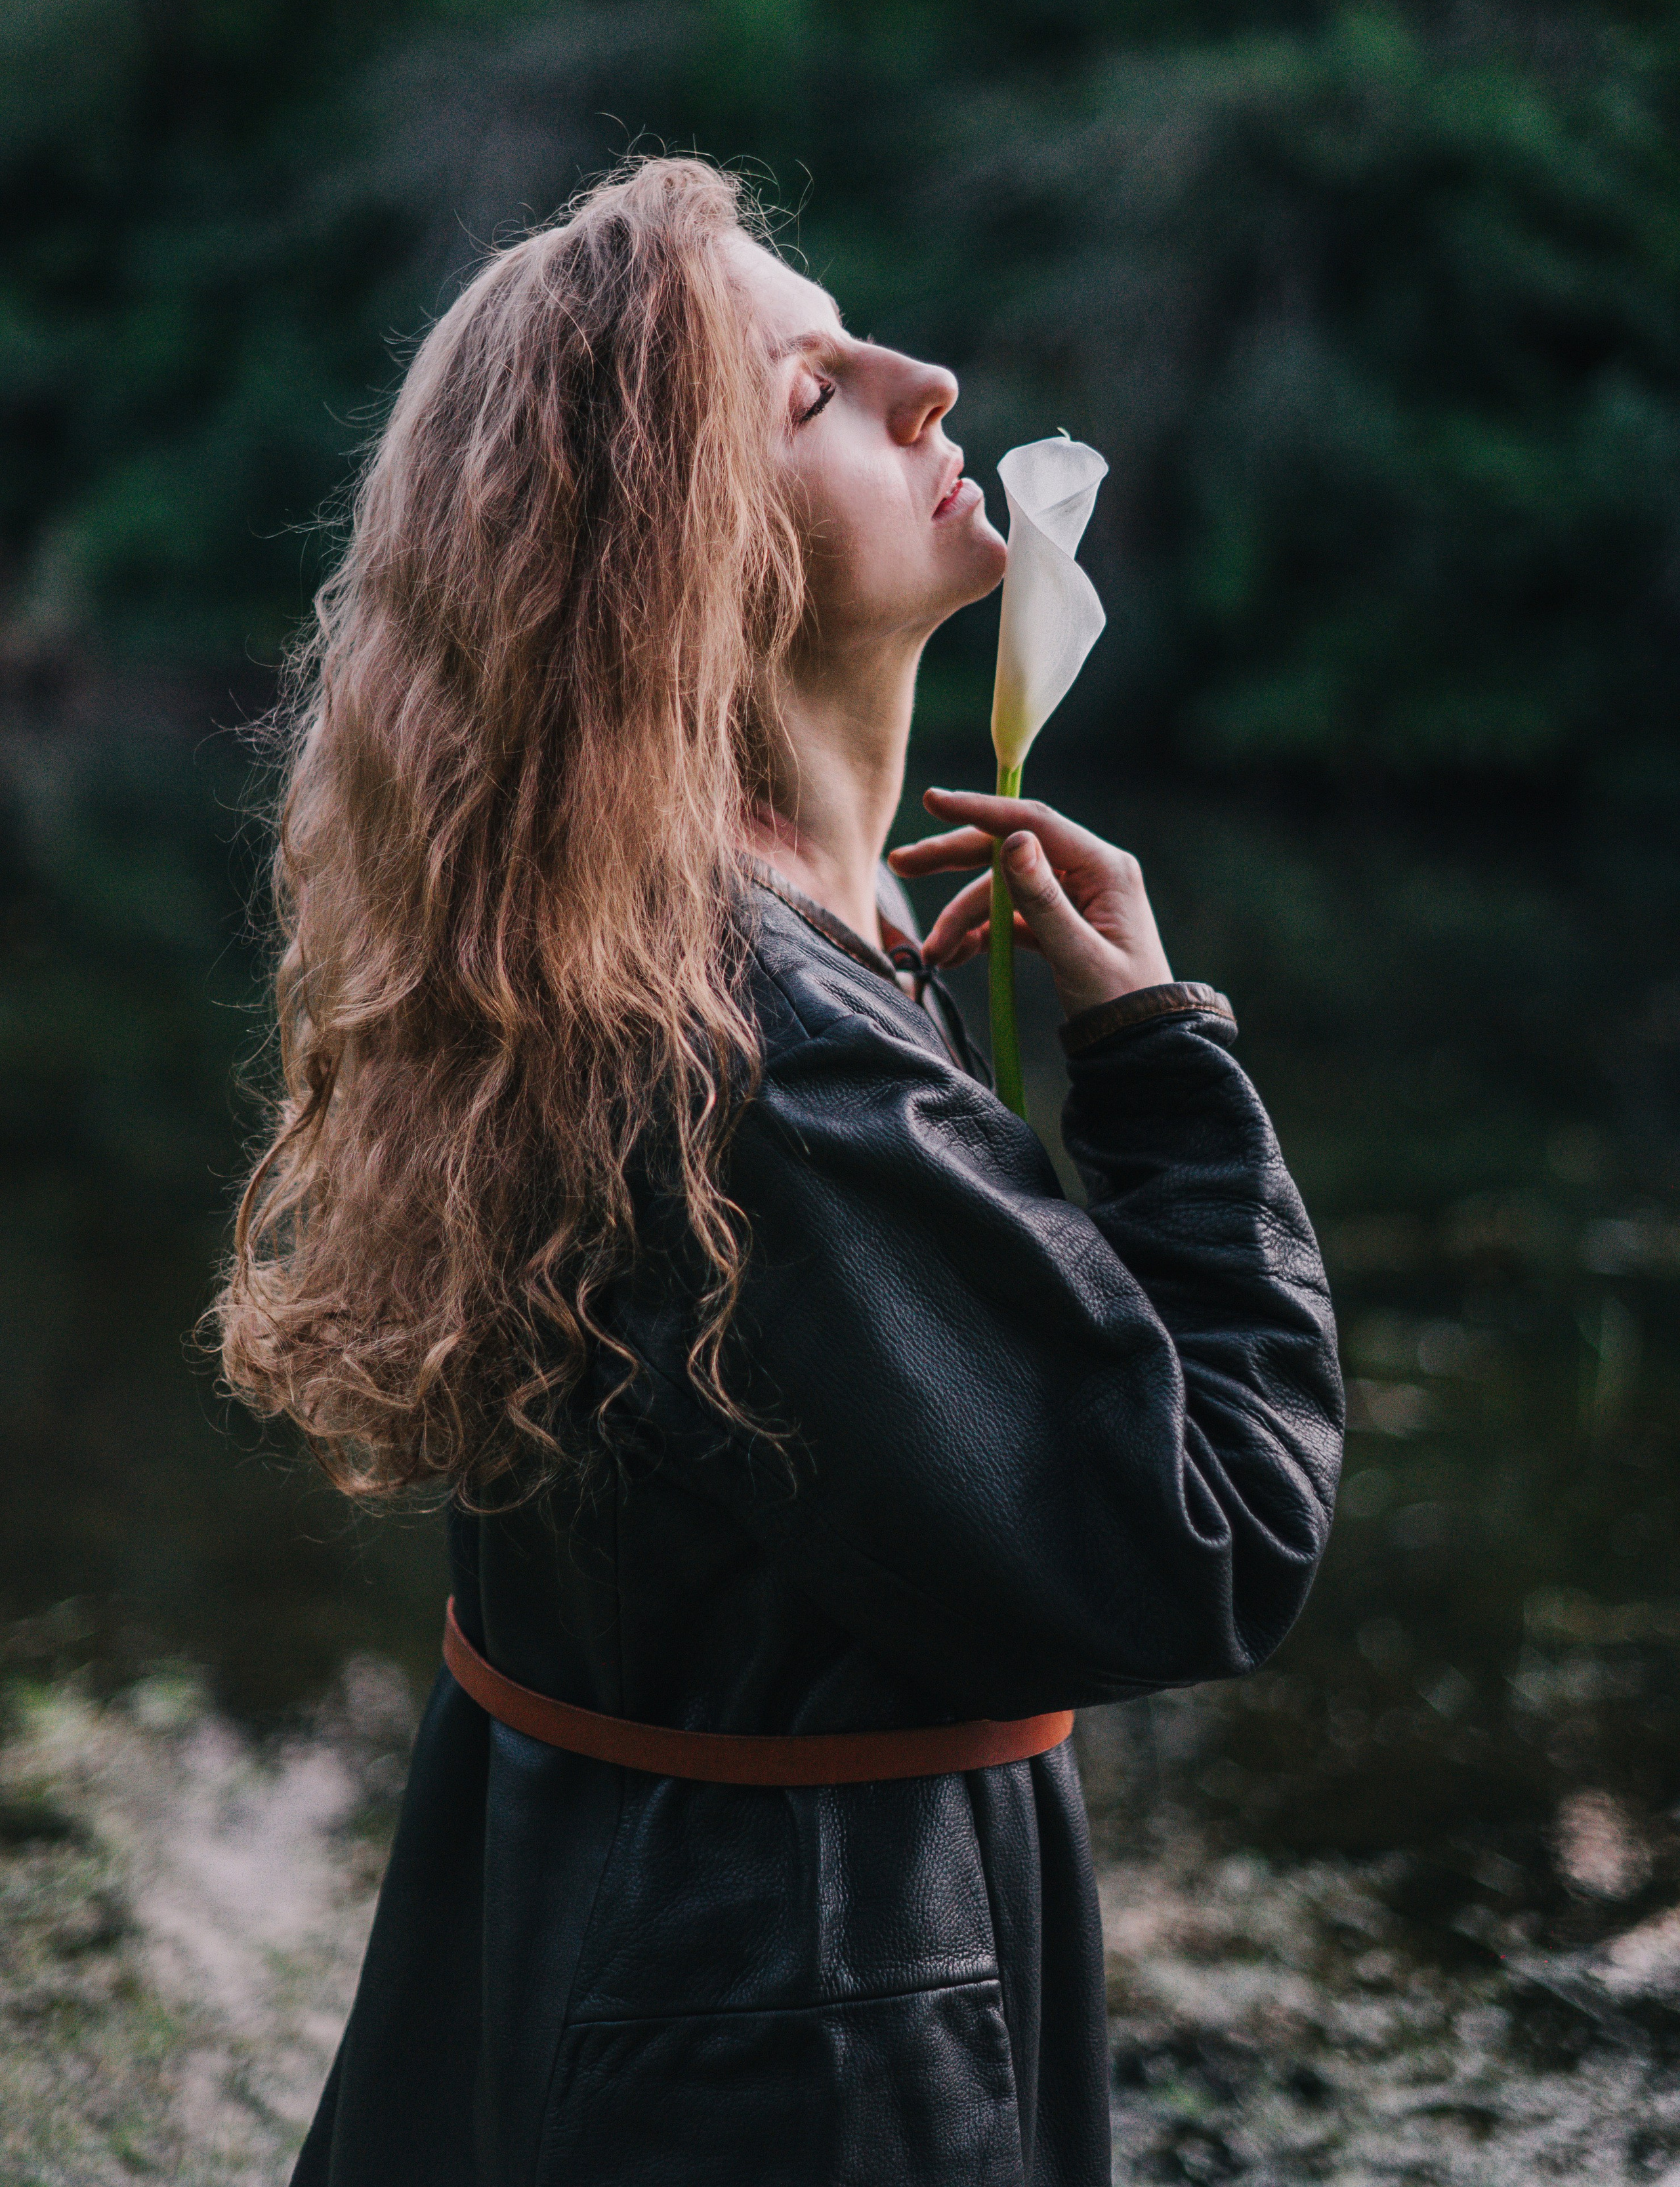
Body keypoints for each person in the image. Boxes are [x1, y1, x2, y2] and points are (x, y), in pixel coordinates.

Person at [214, 154, 1343, 2187]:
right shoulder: (769, 1058)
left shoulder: (622, 966)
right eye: (813, 390)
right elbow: (1208, 1542)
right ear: (676, 564)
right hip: (801, 2039)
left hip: (646, 1955)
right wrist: (1161, 1066)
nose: (929, 381)